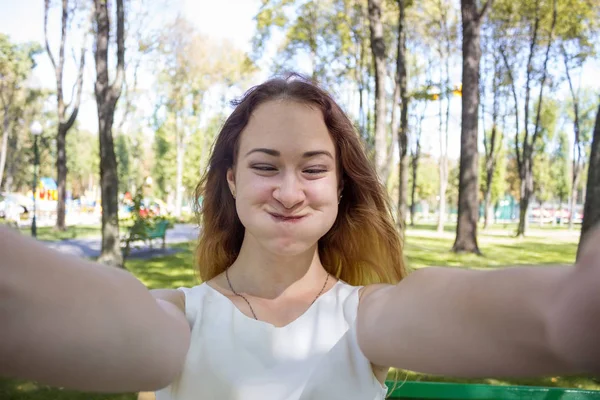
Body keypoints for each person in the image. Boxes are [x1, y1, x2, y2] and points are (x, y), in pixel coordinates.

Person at [1, 75, 599, 400]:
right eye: (266, 166)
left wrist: (568, 314)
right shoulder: (176, 319)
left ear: (342, 188)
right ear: (232, 182)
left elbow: (540, 319)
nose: (290, 190)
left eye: (314, 168)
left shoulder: (371, 319)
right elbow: (70, 317)